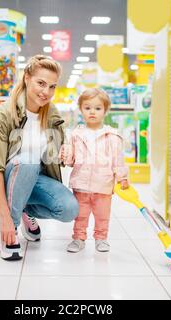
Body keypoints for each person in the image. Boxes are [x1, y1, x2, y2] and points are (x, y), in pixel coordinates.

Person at [0, 55, 79, 261]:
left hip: (34, 179)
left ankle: (24, 210)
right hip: (8, 178)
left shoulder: (51, 112)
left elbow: (59, 142)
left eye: (52, 87)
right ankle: (10, 231)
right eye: (41, 83)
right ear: (26, 78)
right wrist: (5, 218)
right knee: (28, 160)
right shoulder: (4, 114)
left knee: (69, 209)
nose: (46, 92)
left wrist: (66, 147)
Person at [60, 88, 129, 253]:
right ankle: (78, 238)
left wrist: (122, 177)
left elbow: (118, 160)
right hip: (81, 184)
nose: (92, 112)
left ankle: (101, 238)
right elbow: (71, 161)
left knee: (102, 216)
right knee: (80, 215)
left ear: (105, 110)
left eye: (98, 108)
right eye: (87, 108)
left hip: (103, 185)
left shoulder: (112, 136)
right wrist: (65, 154)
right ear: (81, 109)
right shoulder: (75, 135)